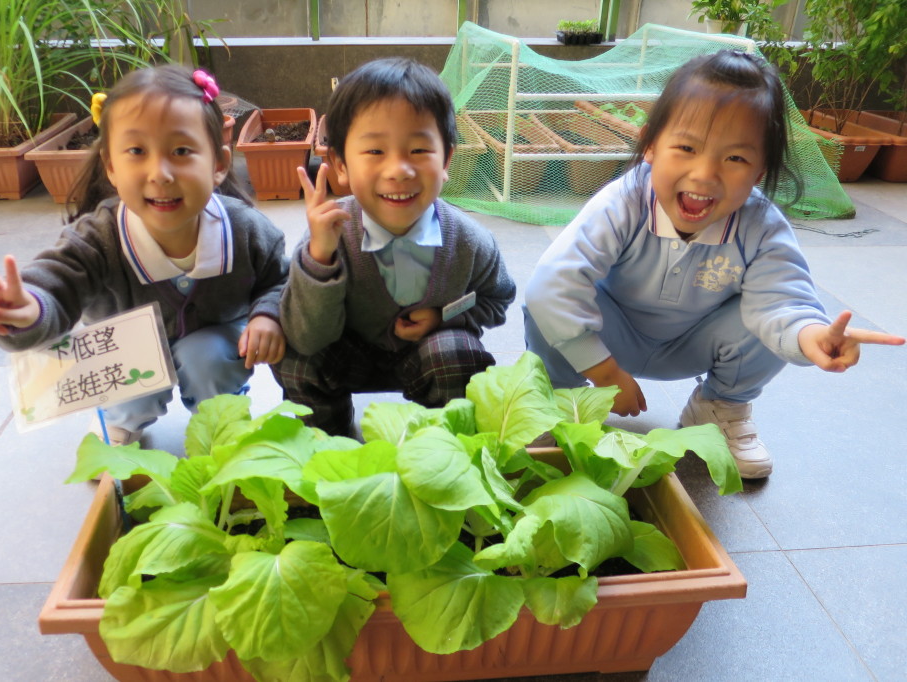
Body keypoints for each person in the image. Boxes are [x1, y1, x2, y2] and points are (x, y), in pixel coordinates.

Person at [524, 50, 904, 479]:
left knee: (766, 321)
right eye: (686, 148)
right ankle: (559, 401)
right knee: (549, 302)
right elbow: (552, 287)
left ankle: (718, 408)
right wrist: (604, 371)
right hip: (611, 337)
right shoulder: (623, 201)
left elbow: (783, 302)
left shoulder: (761, 226)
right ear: (650, 145)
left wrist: (812, 334)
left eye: (735, 158)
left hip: (694, 344)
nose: (705, 174)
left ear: (760, 171)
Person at [0, 65, 289, 446]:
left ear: (219, 164)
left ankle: (222, 420)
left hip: (215, 340)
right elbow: (54, 285)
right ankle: (120, 421)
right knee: (131, 371)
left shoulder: (246, 230)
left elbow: (281, 281)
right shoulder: (97, 237)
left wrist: (268, 314)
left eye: (182, 151)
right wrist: (27, 312)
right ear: (111, 165)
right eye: (136, 151)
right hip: (125, 352)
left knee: (209, 355)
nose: (160, 173)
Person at [272, 57, 516, 437]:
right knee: (296, 357)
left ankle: (442, 443)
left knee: (457, 355)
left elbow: (497, 299)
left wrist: (444, 318)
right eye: (374, 152)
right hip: (346, 352)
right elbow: (306, 336)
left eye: (419, 150)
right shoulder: (330, 234)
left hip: (428, 356)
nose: (399, 169)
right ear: (339, 164)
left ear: (447, 159)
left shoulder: (469, 242)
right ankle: (326, 441)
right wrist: (321, 258)